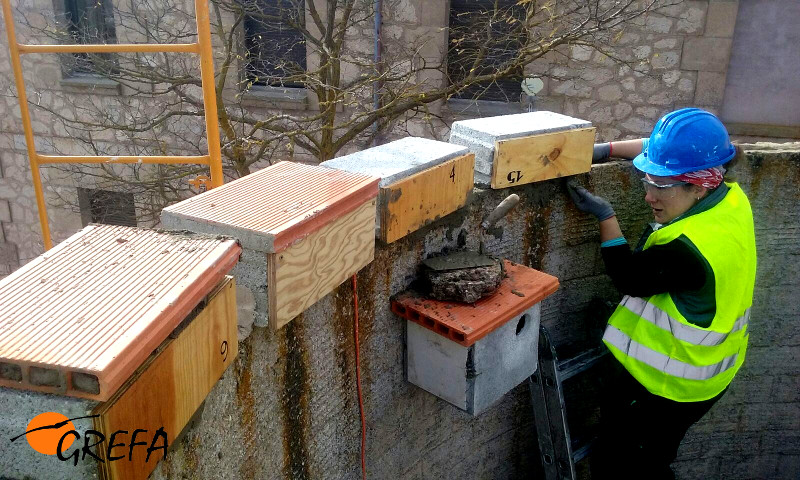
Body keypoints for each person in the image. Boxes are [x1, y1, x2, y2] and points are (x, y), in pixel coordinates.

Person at [567, 108, 757, 479]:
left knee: (632, 466)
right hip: (712, 374)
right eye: (646, 179)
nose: (649, 195)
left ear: (698, 185)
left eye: (661, 186)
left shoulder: (689, 250)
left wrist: (606, 216)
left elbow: (630, 279)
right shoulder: (730, 197)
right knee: (652, 459)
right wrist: (604, 150)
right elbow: (665, 153)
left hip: (668, 387)